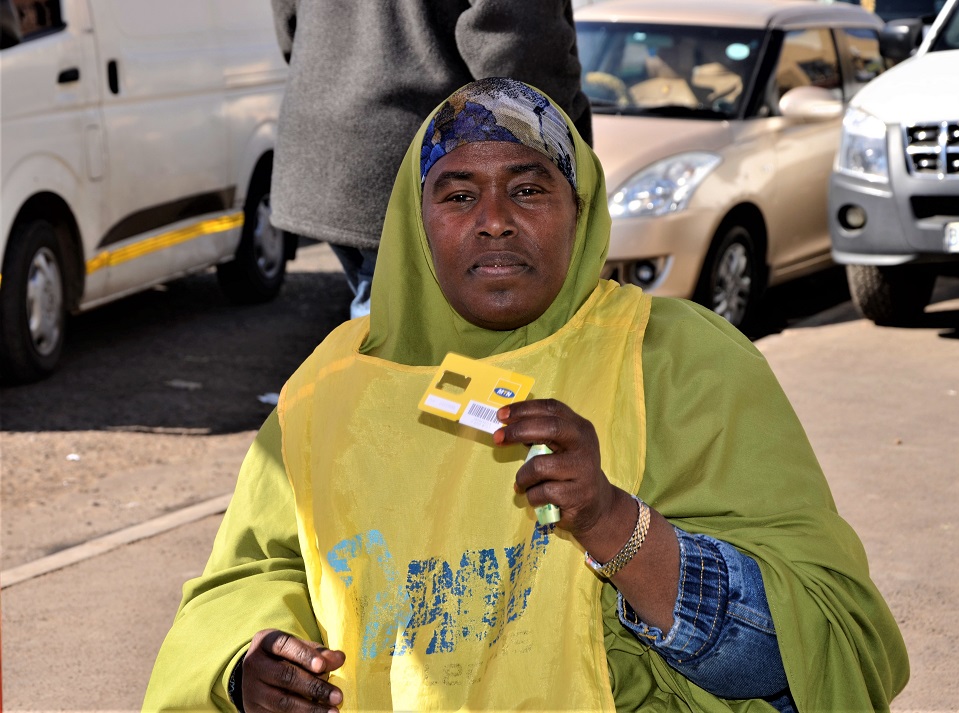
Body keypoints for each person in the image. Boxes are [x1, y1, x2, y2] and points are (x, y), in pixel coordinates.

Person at [143, 78, 908, 712]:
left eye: (529, 187)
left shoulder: (678, 359)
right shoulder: (332, 385)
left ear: (581, 212)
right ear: (415, 224)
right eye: (459, 194)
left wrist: (617, 525)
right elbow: (252, 576)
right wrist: (248, 671)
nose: (496, 222)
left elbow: (815, 651)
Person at [268, 0, 593, 320]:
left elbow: (289, 21)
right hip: (418, 151)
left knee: (387, 316)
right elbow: (515, 35)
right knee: (416, 335)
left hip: (327, 141)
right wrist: (554, 143)